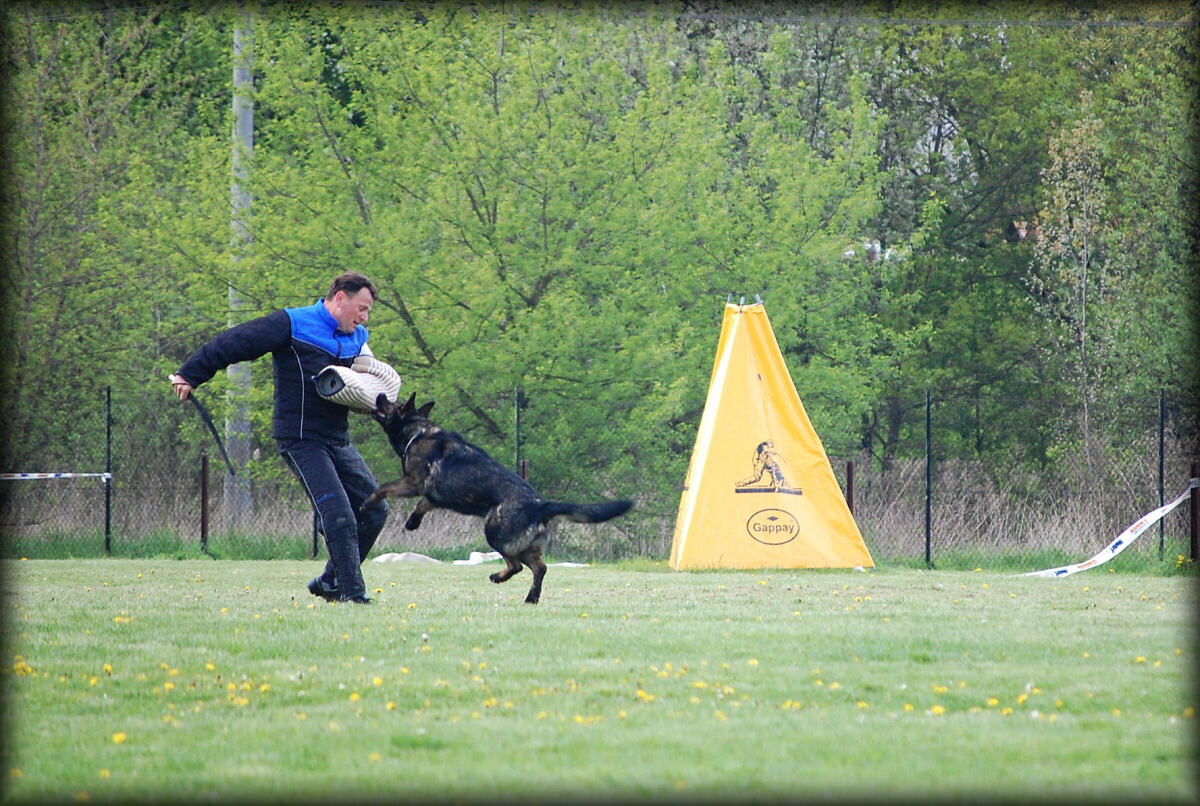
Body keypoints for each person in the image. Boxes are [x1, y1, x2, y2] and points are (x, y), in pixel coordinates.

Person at [171, 272, 389, 604]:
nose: (364, 318)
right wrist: (191, 373)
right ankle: (354, 596)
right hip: (300, 438)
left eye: (368, 312)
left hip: (337, 441)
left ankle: (331, 581)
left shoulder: (358, 338)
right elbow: (237, 341)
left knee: (375, 510)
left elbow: (374, 386)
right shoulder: (293, 323)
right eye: (361, 309)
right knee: (341, 516)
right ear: (340, 298)